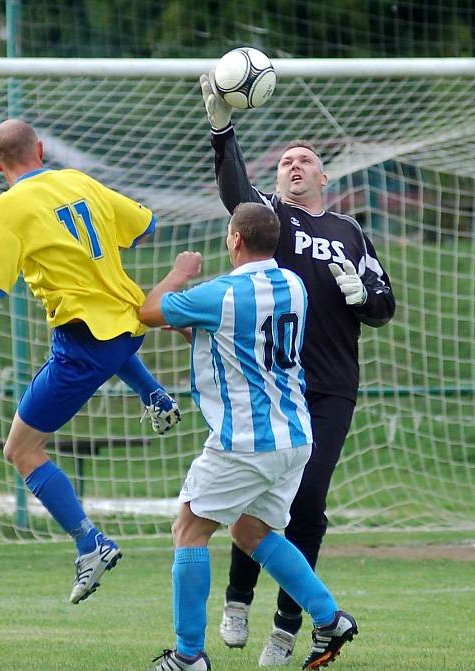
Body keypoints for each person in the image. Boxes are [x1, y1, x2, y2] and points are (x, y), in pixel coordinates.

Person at [0, 119, 180, 604]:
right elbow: (145, 227)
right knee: (107, 338)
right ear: (40, 149)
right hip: (128, 325)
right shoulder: (78, 180)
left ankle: (91, 543)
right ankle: (155, 394)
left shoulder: (10, 205)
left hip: (84, 345)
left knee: (21, 451)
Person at [200, 74, 396, 665]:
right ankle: (237, 597)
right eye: (285, 160)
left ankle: (288, 624)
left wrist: (361, 290)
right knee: (256, 494)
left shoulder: (349, 233)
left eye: (304, 160)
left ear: (323, 177)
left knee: (307, 504)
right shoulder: (271, 222)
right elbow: (236, 191)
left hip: (330, 387)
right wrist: (221, 130)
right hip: (272, 383)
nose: (293, 166)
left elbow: (384, 308)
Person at [139, 202, 358, 671]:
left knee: (189, 530)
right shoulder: (294, 285)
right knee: (250, 530)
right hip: (295, 435)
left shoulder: (220, 292)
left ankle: (188, 655)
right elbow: (241, 341)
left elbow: (149, 311)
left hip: (246, 442)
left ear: (235, 239)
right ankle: (328, 617)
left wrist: (179, 272)